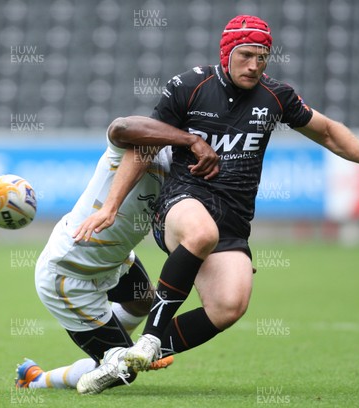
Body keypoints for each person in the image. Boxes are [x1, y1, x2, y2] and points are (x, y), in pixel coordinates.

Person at [75, 14, 359, 391]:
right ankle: (152, 337)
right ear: (227, 52)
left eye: (262, 57)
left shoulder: (275, 96)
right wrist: (110, 205)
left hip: (233, 219)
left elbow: (327, 131)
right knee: (200, 234)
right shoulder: (188, 86)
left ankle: (128, 359)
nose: (254, 65)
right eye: (246, 55)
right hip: (182, 200)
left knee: (229, 306)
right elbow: (144, 144)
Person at [13, 116, 219, 394]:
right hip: (70, 275)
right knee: (124, 371)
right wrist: (189, 139)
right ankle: (37, 379)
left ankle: (117, 349)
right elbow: (120, 127)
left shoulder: (180, 172)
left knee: (145, 301)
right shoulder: (130, 148)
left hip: (116, 261)